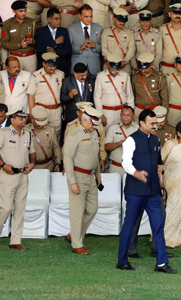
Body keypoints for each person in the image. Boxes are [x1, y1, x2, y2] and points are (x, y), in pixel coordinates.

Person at [117, 109, 177, 273]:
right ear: (141, 123)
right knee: (129, 226)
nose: (155, 126)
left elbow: (158, 162)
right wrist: (135, 172)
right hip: (135, 191)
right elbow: (125, 162)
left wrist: (161, 167)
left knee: (158, 226)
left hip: (153, 192)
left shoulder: (156, 140)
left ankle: (162, 263)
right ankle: (122, 261)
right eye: (152, 123)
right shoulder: (131, 140)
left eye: (156, 123)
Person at [0, 108, 35, 250]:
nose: (23, 120)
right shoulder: (3, 133)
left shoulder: (28, 133)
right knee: (6, 208)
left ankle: (15, 240)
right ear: (12, 119)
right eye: (20, 118)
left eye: (24, 117)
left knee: (20, 209)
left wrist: (32, 163)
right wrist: (2, 165)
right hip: (8, 175)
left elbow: (32, 153)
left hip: (23, 175)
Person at [63, 106, 102, 254]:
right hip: (78, 176)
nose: (93, 126)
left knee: (92, 209)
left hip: (91, 176)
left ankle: (74, 235)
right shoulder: (74, 135)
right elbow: (67, 158)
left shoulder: (94, 133)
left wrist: (98, 175)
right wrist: (72, 181)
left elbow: (95, 156)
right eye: (92, 123)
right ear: (84, 121)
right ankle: (77, 244)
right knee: (77, 212)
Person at [95, 53, 135, 131]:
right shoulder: (101, 76)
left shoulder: (125, 76)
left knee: (122, 134)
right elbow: (97, 97)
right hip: (107, 112)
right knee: (107, 135)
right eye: (112, 68)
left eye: (117, 68)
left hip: (122, 113)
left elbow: (130, 97)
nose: (114, 70)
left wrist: (131, 114)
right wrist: (101, 115)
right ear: (107, 64)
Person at [27, 52, 64, 137]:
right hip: (41, 110)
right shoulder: (36, 76)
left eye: (55, 65)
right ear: (43, 63)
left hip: (56, 111)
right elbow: (31, 96)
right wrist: (32, 114)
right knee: (41, 136)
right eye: (50, 65)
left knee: (56, 136)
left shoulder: (61, 75)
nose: (53, 68)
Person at [64, 101, 107, 169]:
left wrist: (102, 158)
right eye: (84, 113)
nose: (86, 116)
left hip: (94, 163)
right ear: (78, 113)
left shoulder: (98, 125)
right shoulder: (71, 127)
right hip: (77, 165)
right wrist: (66, 165)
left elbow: (102, 143)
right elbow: (66, 149)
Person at [1, 0, 37, 73]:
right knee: (16, 81)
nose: (24, 13)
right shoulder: (8, 24)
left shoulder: (32, 22)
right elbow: (3, 43)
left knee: (31, 81)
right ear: (14, 11)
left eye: (25, 11)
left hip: (30, 58)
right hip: (15, 57)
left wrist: (32, 41)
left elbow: (39, 40)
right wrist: (19, 45)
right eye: (21, 11)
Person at [67, 4, 103, 75]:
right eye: (86, 16)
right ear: (80, 16)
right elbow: (67, 49)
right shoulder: (71, 29)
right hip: (77, 67)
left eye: (91, 16)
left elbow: (103, 49)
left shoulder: (98, 28)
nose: (89, 19)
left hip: (94, 67)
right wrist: (81, 47)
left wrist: (95, 46)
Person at [159, 3, 181, 75]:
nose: (177, 16)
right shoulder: (163, 29)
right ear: (169, 14)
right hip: (167, 68)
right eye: (175, 13)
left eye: (180, 14)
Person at [23, 105, 60, 171]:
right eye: (38, 123)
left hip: (48, 167)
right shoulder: (25, 130)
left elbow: (56, 148)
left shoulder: (50, 129)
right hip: (31, 167)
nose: (41, 125)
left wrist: (58, 163)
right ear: (32, 119)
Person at [131, 52, 167, 117]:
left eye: (145, 68)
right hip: (139, 110)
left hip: (155, 110)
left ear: (151, 65)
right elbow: (132, 95)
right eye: (141, 68)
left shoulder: (160, 77)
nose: (143, 70)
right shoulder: (135, 77)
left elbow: (165, 98)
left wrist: (163, 113)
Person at [105, 106, 139, 175]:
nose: (125, 117)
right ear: (120, 115)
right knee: (114, 186)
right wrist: (118, 144)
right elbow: (106, 147)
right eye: (123, 115)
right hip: (116, 167)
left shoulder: (138, 128)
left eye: (128, 115)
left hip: (133, 167)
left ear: (133, 116)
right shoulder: (113, 128)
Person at [101, 8, 135, 73]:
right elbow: (104, 49)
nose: (122, 23)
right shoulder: (106, 32)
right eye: (120, 20)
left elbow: (131, 50)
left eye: (124, 21)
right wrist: (112, 61)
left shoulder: (130, 33)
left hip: (124, 67)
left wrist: (124, 62)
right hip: (109, 66)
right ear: (114, 19)